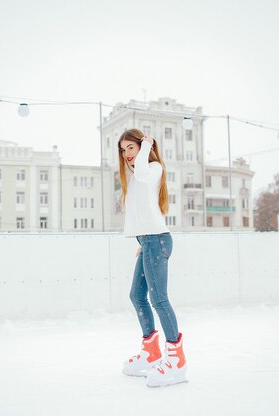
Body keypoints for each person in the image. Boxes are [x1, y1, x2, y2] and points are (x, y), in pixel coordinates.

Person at [118, 128, 187, 388]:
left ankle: (177, 361)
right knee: (137, 295)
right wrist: (140, 241)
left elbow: (145, 172)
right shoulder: (136, 177)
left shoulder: (153, 168)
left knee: (159, 298)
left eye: (131, 148)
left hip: (157, 240)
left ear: (142, 147)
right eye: (123, 150)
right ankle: (152, 353)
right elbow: (140, 212)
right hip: (147, 241)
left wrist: (148, 145)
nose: (127, 154)